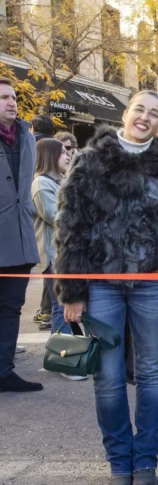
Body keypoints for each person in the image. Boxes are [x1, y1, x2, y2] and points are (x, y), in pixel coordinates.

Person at [56, 89, 158, 485]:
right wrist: (72, 290)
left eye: (154, 114)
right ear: (126, 113)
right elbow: (70, 227)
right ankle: (119, 460)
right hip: (101, 283)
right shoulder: (89, 160)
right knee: (108, 376)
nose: (145, 118)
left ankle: (145, 460)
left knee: (154, 373)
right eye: (140, 109)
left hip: (152, 286)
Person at [0, 79, 43, 393]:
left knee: (12, 309)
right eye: (3, 98)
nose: (11, 103)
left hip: (20, 239)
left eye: (13, 97)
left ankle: (4, 372)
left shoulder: (28, 138)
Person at [31, 138, 77, 345]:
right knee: (61, 307)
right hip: (53, 257)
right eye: (63, 152)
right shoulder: (41, 183)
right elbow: (54, 215)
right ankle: (63, 357)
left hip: (65, 256)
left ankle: (62, 354)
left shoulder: (59, 181)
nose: (68, 156)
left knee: (64, 306)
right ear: (50, 156)